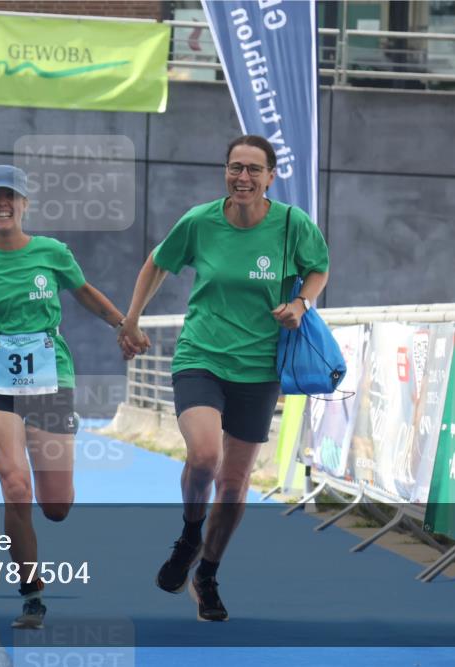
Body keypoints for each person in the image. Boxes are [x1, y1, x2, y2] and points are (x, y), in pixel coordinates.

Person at [0, 165, 135, 629]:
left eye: (10, 196)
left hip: (50, 381)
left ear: (26, 204)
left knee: (56, 506)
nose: (2, 204)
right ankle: (32, 593)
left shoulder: (52, 252)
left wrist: (123, 323)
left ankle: (36, 548)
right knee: (16, 486)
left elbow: (86, 294)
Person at [119, 135, 330, 621]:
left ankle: (207, 573)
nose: (243, 177)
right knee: (205, 455)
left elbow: (318, 268)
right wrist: (132, 319)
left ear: (271, 177)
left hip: (259, 368)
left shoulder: (292, 226)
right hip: (202, 356)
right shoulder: (200, 221)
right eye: (236, 167)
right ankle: (190, 534)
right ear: (225, 172)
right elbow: (157, 263)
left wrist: (301, 303)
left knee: (235, 485)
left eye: (255, 170)